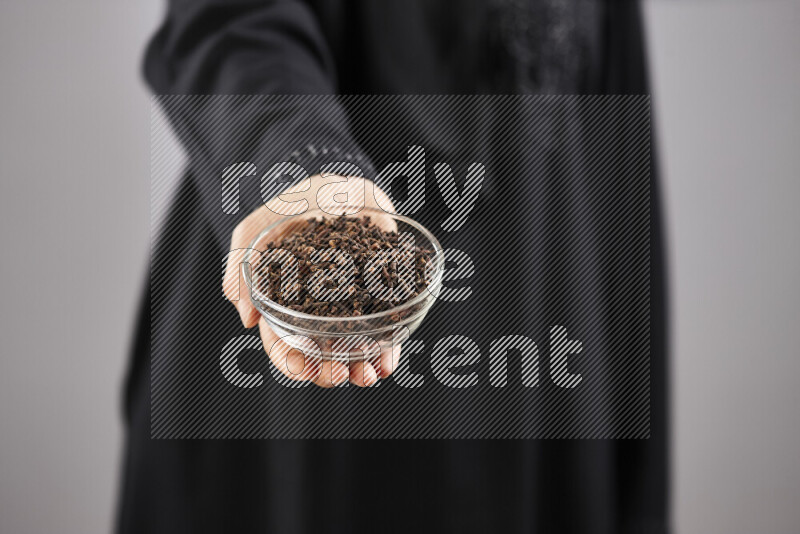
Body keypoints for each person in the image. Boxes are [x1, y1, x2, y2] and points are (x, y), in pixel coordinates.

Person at [119, 1, 668, 532]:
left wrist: (637, 488)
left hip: (545, 333)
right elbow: (233, 19)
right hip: (296, 378)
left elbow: (620, 161)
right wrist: (307, 168)